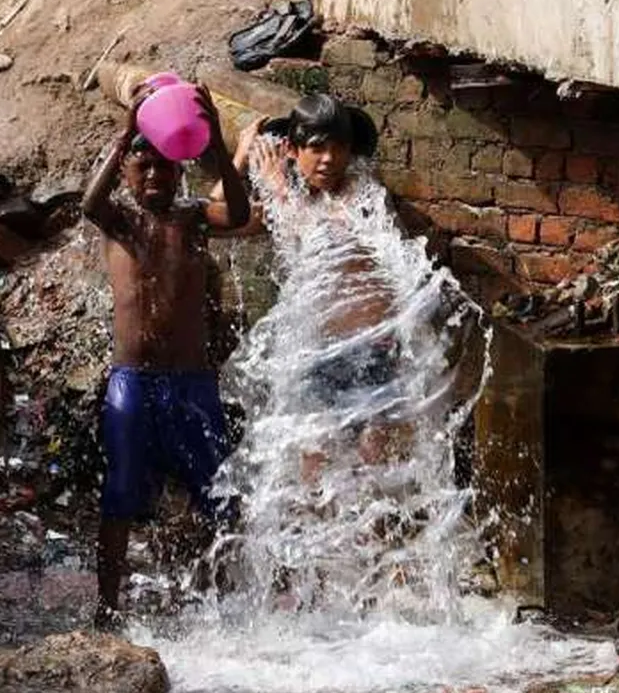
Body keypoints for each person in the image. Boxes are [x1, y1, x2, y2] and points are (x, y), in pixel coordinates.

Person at [83, 83, 250, 627]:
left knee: (218, 492)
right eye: (142, 165)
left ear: (179, 172)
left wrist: (219, 148)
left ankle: (226, 607)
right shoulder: (121, 223)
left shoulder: (193, 218)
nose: (153, 175)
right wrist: (126, 134)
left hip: (192, 382)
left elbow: (241, 209)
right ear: (129, 173)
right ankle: (107, 609)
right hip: (131, 381)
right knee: (121, 490)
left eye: (164, 167)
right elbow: (89, 202)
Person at [210, 94, 411, 479]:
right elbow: (209, 217)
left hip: (375, 351)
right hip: (317, 355)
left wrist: (279, 189)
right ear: (291, 149)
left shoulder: (362, 196)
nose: (329, 159)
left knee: (373, 474)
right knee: (313, 473)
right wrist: (238, 157)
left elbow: (325, 237)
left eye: (339, 149)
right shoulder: (280, 203)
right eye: (317, 148)